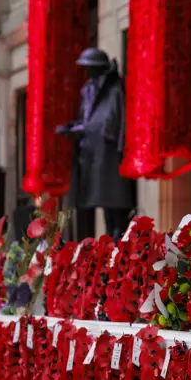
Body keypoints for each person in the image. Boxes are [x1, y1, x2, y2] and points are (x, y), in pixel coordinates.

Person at [56, 47, 136, 242]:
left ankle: (118, 239)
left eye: (90, 68)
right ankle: (111, 239)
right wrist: (73, 128)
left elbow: (116, 122)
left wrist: (120, 148)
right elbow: (87, 118)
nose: (87, 72)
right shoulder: (88, 90)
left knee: (116, 204)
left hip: (109, 155)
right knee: (104, 204)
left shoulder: (115, 90)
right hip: (92, 153)